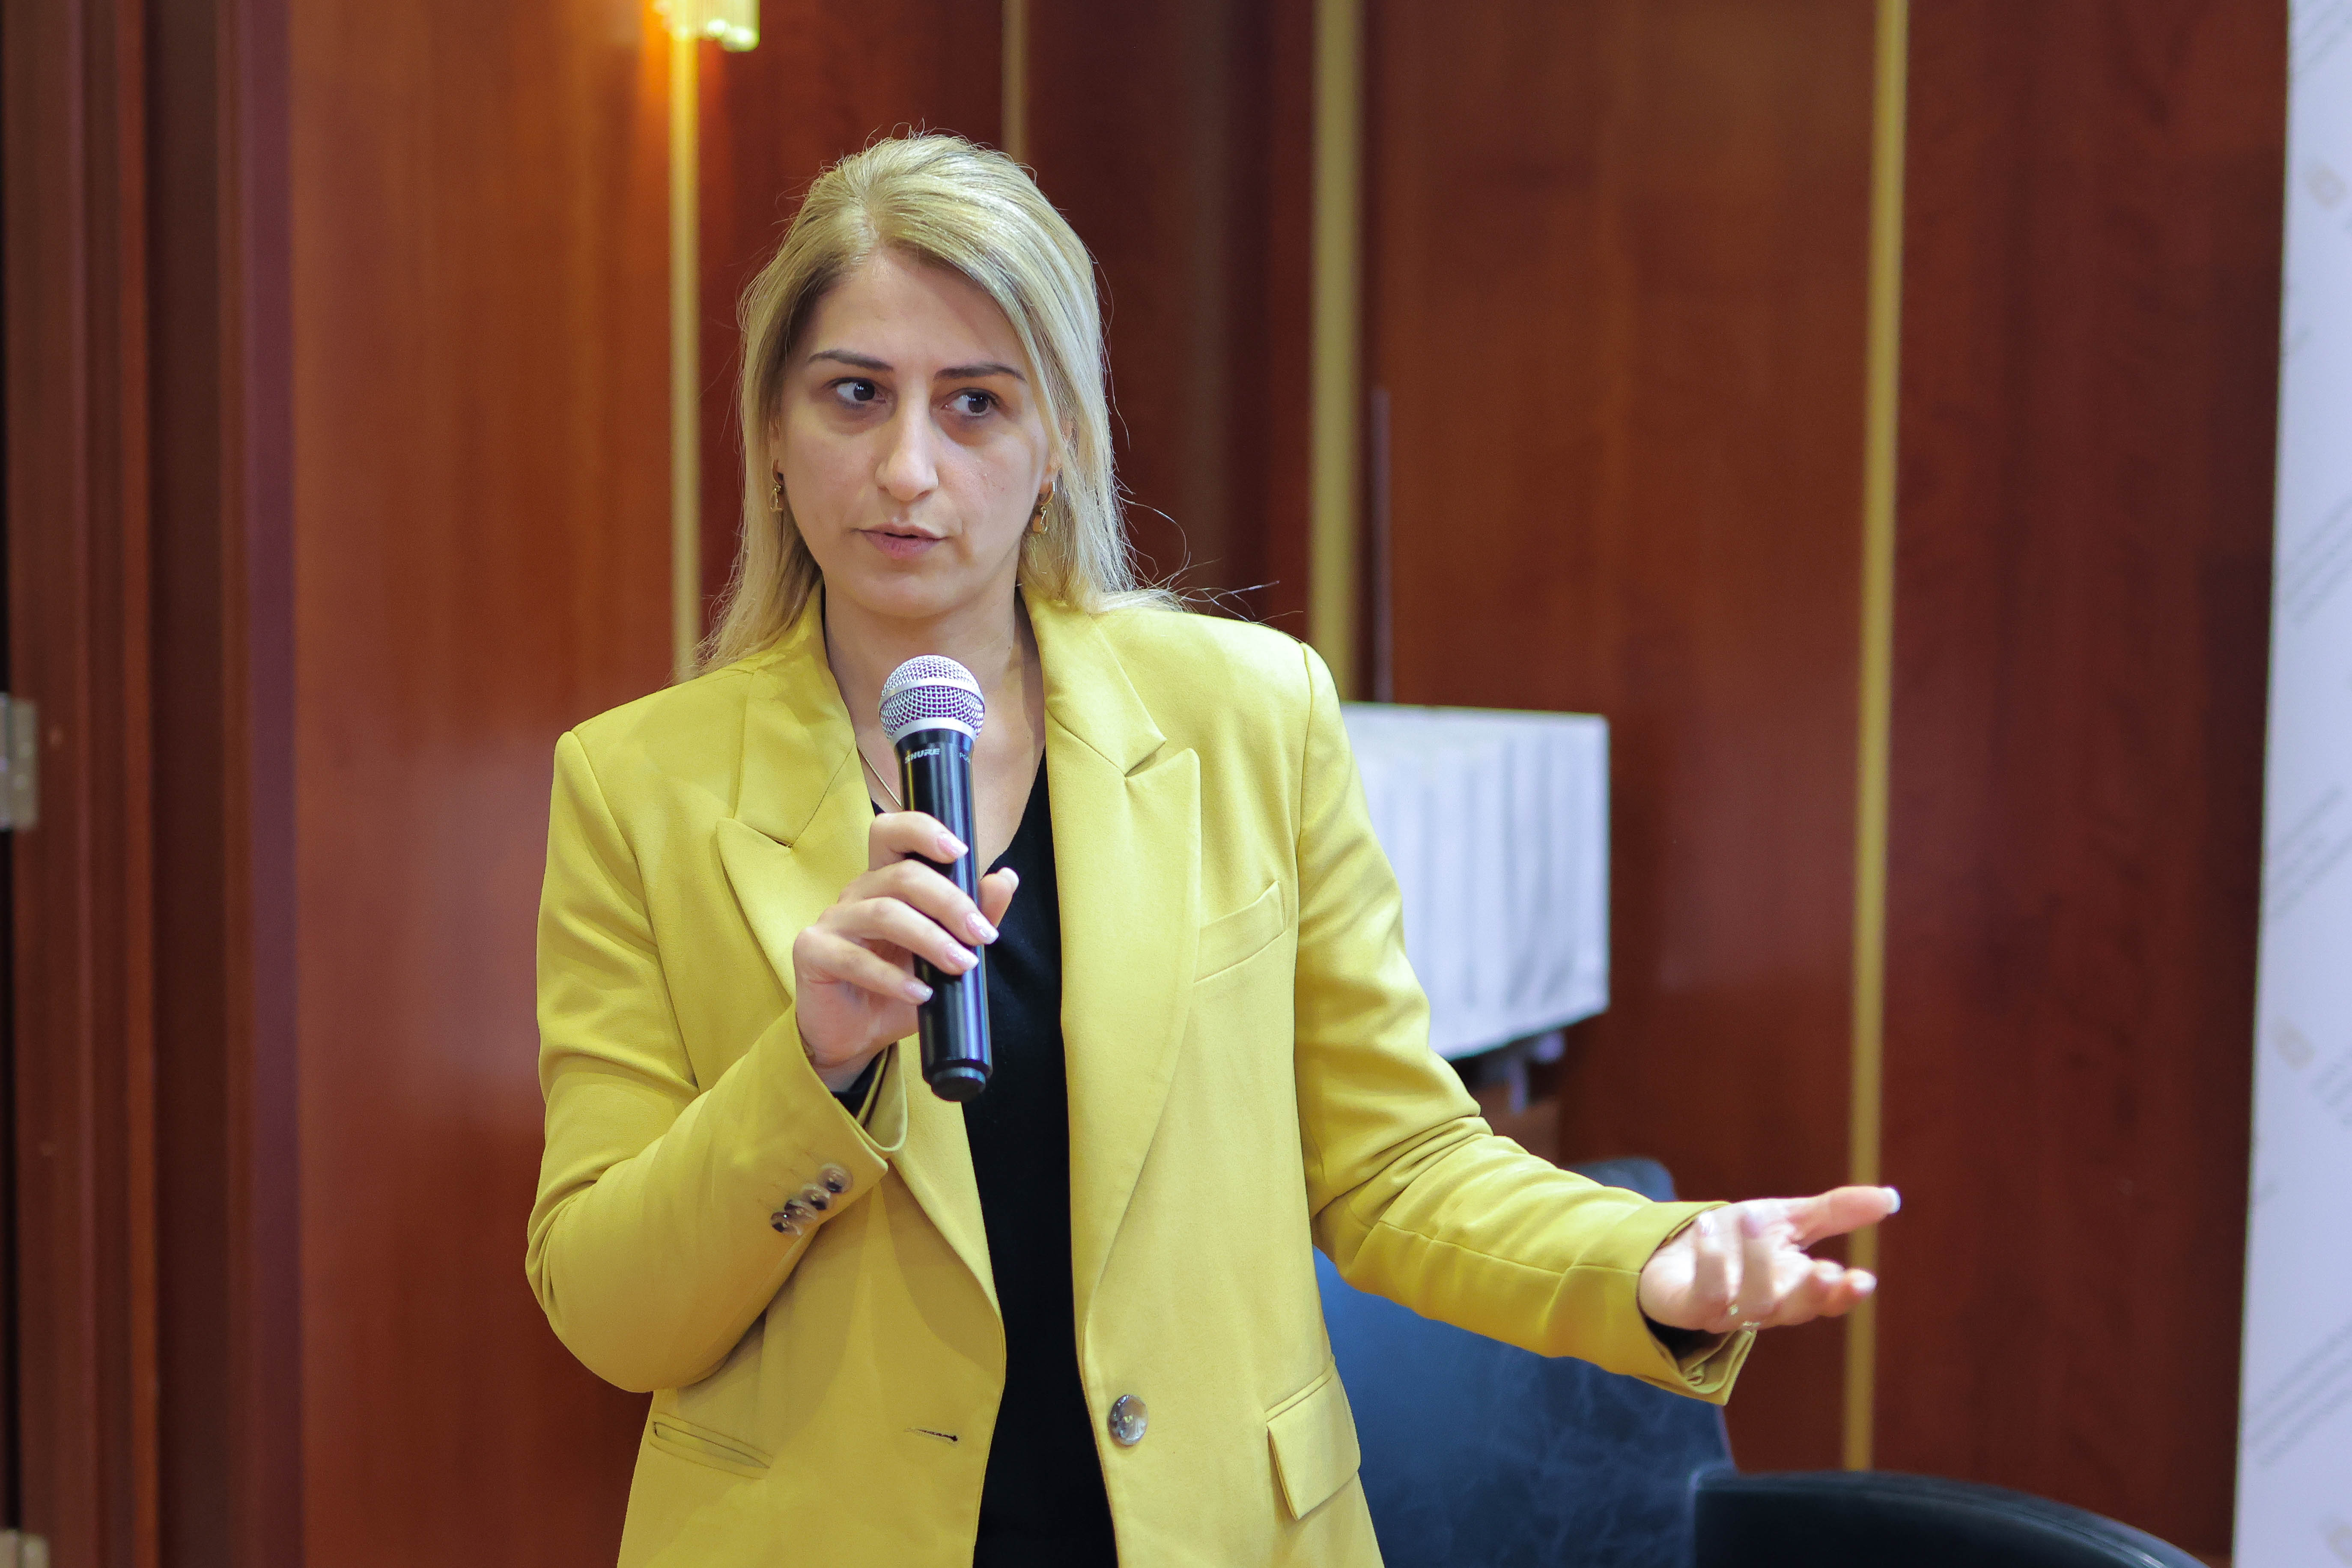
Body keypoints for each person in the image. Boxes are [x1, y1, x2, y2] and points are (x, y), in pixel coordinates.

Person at [526, 133, 1897, 1568]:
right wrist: (806, 1073)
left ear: (1059, 442)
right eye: (855, 395)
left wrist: (1651, 1265)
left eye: (976, 403)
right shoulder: (637, 788)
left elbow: (1394, 1166)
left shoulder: (1251, 715)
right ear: (773, 428)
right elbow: (612, 1313)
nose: (908, 468)